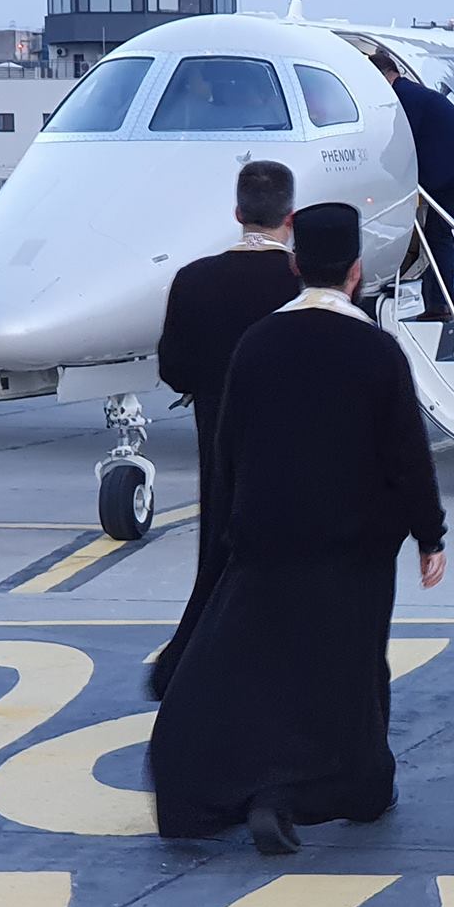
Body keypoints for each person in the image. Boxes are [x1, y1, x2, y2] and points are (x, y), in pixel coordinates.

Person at [148, 202, 449, 855]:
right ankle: (353, 787)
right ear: (355, 272)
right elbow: (406, 454)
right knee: (349, 667)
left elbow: (230, 450)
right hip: (355, 545)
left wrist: (233, 531)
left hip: (270, 537)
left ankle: (268, 789)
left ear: (295, 266)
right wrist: (430, 534)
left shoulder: (258, 344)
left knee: (272, 666)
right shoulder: (376, 350)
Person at [147, 160, 302, 701]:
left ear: (238, 214)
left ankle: (195, 666)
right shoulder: (301, 281)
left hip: (219, 437)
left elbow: (173, 369)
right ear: (291, 217)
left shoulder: (193, 280)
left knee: (220, 555)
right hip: (292, 446)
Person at [368, 46, 454, 323]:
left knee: (438, 236)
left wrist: (378, 169)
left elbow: (401, 142)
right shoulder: (413, 94)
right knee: (437, 234)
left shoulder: (404, 97)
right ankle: (435, 301)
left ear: (383, 76)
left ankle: (439, 304)